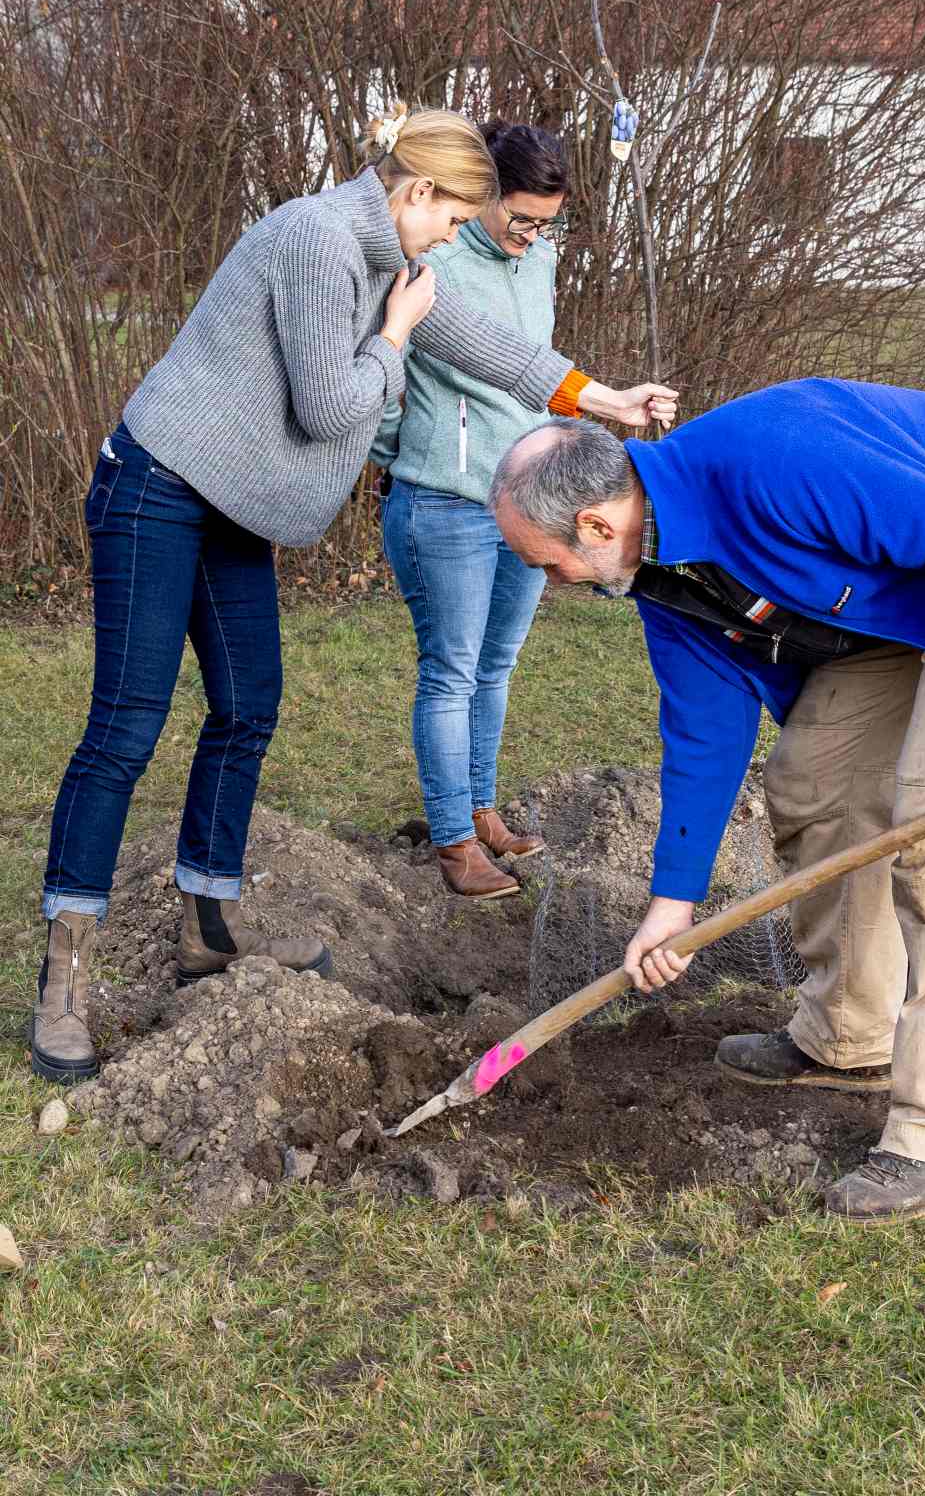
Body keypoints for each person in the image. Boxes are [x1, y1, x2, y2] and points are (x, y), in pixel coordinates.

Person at [32, 107, 677, 1083]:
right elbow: (329, 403)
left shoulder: (389, 255)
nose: (459, 238)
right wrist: (394, 337)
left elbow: (485, 342)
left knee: (247, 707)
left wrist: (603, 396)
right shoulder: (317, 239)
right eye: (455, 219)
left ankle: (208, 926)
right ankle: (64, 978)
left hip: (233, 504)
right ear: (416, 192)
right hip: (158, 487)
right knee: (127, 721)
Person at [487, 383, 925, 1223]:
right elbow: (703, 739)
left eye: (543, 562)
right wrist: (672, 907)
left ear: (595, 526)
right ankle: (850, 1037)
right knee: (813, 782)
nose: (550, 580)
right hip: (902, 608)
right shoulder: (664, 582)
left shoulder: (772, 461)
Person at [373, 121, 573, 900]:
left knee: (497, 664)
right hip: (444, 503)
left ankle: (482, 810)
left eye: (547, 222)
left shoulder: (543, 258)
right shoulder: (435, 255)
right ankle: (453, 840)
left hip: (524, 505)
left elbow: (533, 370)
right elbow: (390, 365)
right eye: (520, 217)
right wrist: (403, 453)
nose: (531, 235)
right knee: (451, 672)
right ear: (482, 195)